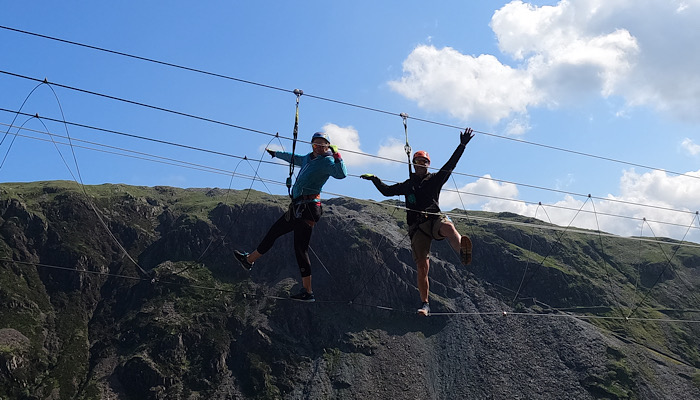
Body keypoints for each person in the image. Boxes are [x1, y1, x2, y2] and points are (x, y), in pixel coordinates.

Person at [361, 128, 474, 316]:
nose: (421, 165)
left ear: (428, 165)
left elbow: (450, 165)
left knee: (448, 226)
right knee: (422, 266)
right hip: (418, 228)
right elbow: (387, 191)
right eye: (418, 162)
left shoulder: (435, 180)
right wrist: (375, 179)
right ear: (414, 164)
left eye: (424, 162)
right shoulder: (408, 185)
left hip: (434, 218)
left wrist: (461, 145)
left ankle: (463, 252)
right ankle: (425, 304)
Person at [234, 132, 347, 302]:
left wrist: (337, 154)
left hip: (309, 208)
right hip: (297, 208)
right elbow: (292, 158)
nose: (318, 147)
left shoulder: (328, 161)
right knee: (274, 232)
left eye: (322, 145)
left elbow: (341, 174)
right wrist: (275, 154)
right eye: (315, 144)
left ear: (328, 146)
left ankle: (308, 292)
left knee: (300, 249)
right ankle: (249, 260)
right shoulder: (308, 158)